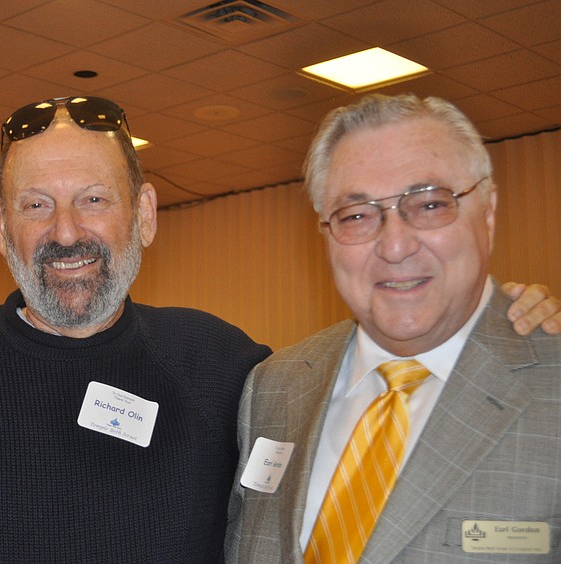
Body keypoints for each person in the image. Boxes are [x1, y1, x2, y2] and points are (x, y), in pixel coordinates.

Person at [0, 96, 561, 563]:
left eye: (93, 200)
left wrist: (510, 326)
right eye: (36, 205)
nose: (67, 231)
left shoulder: (232, 369)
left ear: (144, 213)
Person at [226, 94, 561, 563]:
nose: (395, 245)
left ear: (487, 211)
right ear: (325, 233)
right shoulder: (273, 386)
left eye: (428, 205)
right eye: (357, 215)